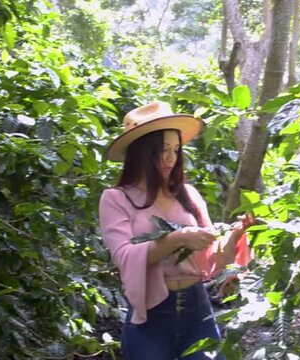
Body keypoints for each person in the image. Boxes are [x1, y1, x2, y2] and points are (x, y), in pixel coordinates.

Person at [98, 101, 253, 360]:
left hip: (198, 314)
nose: (171, 158)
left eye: (175, 149)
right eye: (162, 150)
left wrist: (235, 235)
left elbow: (212, 260)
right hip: (150, 321)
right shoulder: (116, 199)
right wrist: (177, 238)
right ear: (141, 153)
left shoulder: (188, 194)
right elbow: (124, 256)